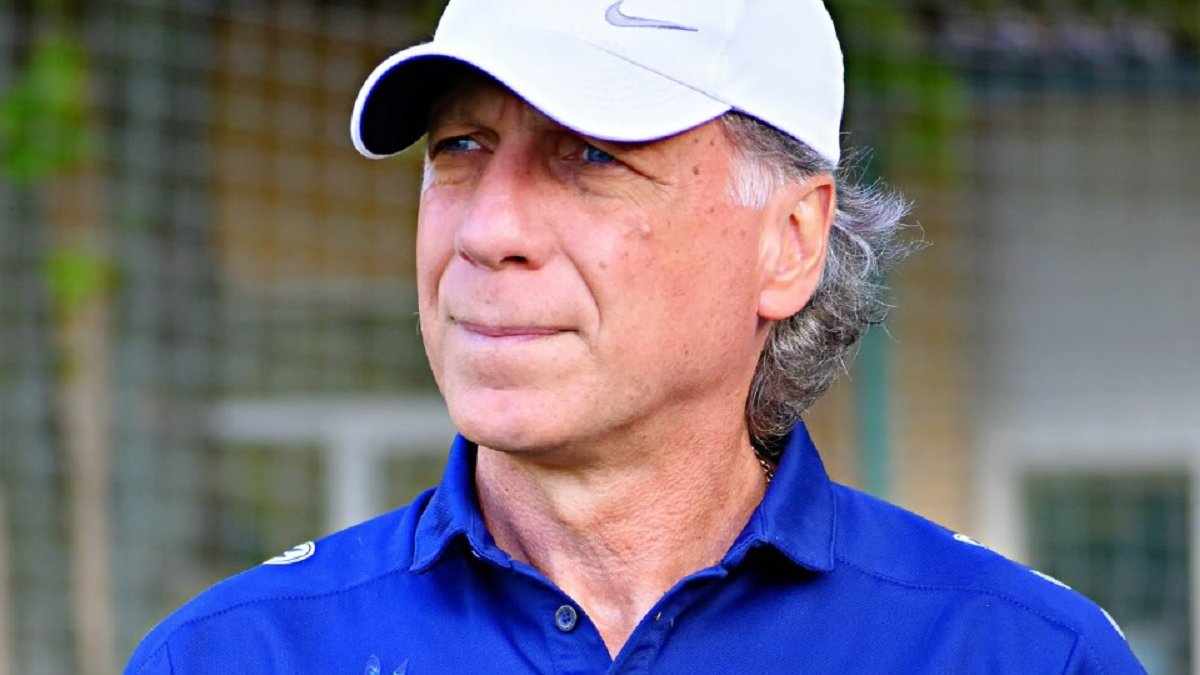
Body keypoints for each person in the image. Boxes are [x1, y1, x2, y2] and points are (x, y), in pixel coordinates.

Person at [127, 0, 1146, 672]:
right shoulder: (232, 657)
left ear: (790, 242)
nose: (487, 229)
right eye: (460, 146)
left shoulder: (1014, 654)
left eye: (589, 155)